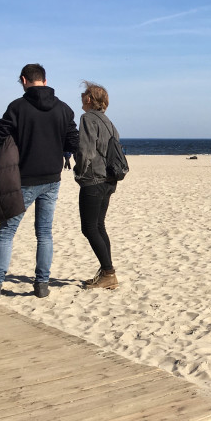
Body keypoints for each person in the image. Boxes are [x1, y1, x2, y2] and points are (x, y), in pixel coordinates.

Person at [0, 64, 79, 299]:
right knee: (44, 233)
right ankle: (42, 285)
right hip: (52, 179)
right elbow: (73, 141)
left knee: (6, 232)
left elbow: (0, 134)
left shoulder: (17, 107)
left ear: (24, 80)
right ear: (44, 80)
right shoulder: (64, 109)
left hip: (23, 179)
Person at [73, 81, 121, 290]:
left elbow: (85, 150)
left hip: (93, 179)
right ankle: (106, 272)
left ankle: (109, 273)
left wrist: (79, 172)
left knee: (89, 228)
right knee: (99, 226)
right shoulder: (109, 122)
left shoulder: (87, 119)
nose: (82, 99)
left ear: (90, 99)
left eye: (84, 95)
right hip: (109, 180)